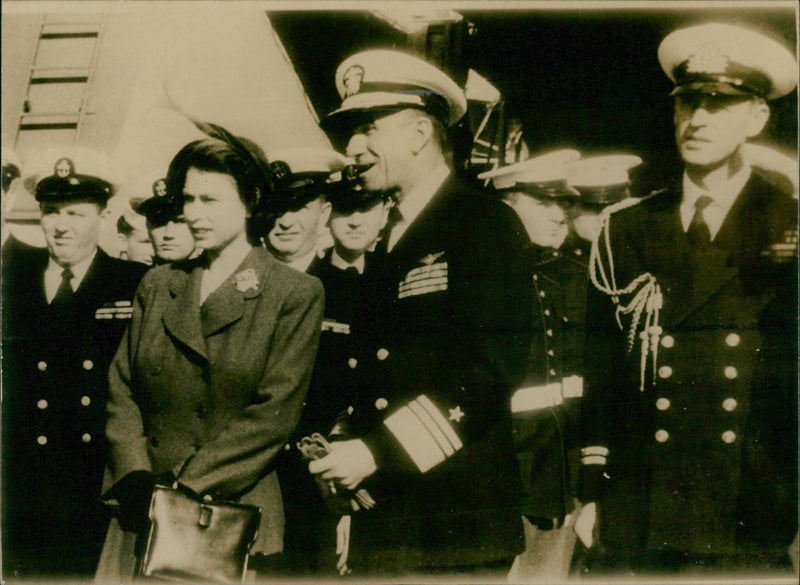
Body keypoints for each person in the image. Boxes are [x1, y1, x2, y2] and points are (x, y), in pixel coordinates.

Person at [576, 22, 798, 575]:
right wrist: (591, 484)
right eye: (688, 102)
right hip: (638, 501)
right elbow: (600, 365)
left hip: (744, 503)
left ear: (757, 118)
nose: (697, 120)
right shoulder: (624, 227)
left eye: (720, 105)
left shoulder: (788, 223)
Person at [309, 49, 533, 578]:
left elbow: (489, 371)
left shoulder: (484, 223)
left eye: (367, 128)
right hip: (389, 515)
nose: (353, 148)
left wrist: (376, 452)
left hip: (454, 527)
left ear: (417, 134)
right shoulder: (395, 233)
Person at [94, 134, 325, 581]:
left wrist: (185, 486)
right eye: (188, 199)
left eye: (210, 200)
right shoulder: (160, 284)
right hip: (139, 510)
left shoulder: (291, 293)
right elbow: (122, 383)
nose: (193, 214)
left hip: (224, 514)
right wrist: (136, 473)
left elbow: (274, 412)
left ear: (251, 202)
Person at [1, 150, 149, 578]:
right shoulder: (12, 276)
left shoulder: (132, 283)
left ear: (102, 215)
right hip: (18, 482)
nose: (61, 225)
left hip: (94, 485)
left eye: (76, 214)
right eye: (51, 212)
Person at [479, 150, 589, 581]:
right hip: (500, 478)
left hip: (564, 477)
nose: (560, 214)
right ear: (507, 205)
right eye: (544, 203)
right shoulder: (483, 279)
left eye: (563, 203)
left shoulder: (576, 276)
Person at [280, 167, 394, 575]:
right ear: (328, 213)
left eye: (367, 208)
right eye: (345, 209)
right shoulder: (311, 285)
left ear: (386, 211)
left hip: (370, 469)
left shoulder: (398, 282)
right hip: (306, 469)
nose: (355, 220)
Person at [263, 147, 345, 272]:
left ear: (324, 214)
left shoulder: (347, 288)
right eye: (276, 208)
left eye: (298, 207)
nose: (286, 223)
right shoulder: (233, 286)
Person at [131, 173, 198, 264]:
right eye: (159, 222)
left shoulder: (213, 276)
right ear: (148, 228)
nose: (168, 234)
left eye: (180, 221)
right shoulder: (141, 277)